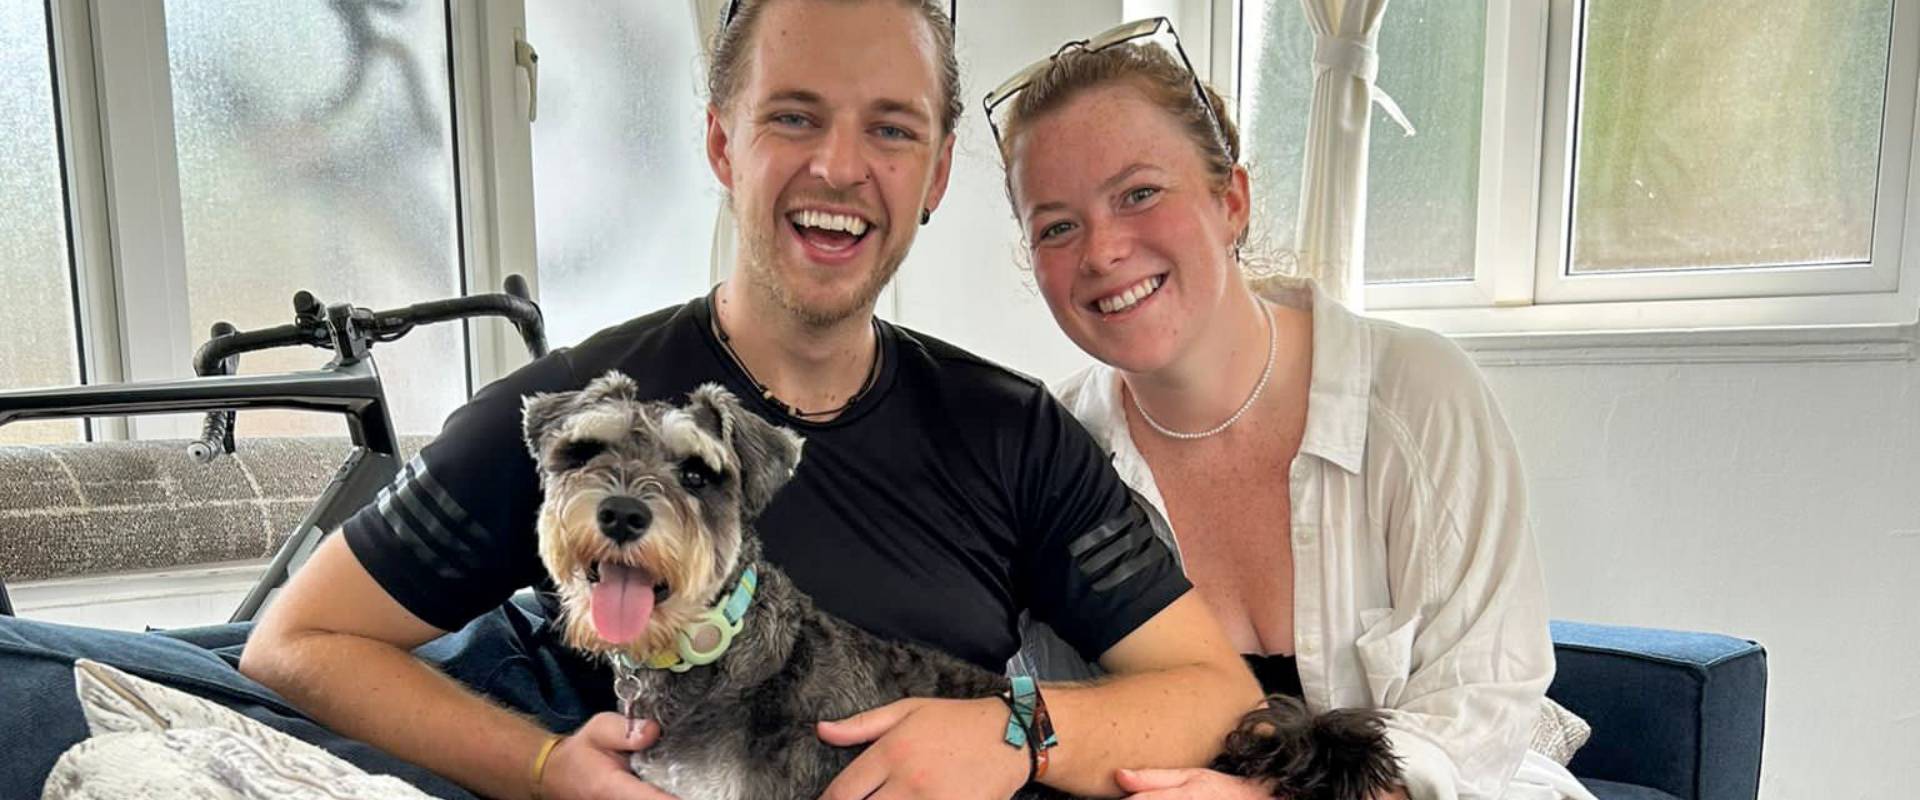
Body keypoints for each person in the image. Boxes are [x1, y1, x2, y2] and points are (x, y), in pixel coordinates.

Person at [0, 2, 1262, 799]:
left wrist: (1007, 734)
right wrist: (548, 767)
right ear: (724, 144)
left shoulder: (1012, 432)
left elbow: (1216, 694)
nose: (838, 167)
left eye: (889, 130)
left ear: (935, 174)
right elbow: (297, 642)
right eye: (794, 116)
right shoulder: (567, 401)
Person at [988, 22, 1598, 800]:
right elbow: (1018, 701)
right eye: (1058, 226)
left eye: (1139, 193)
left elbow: (1479, 708)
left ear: (1231, 201)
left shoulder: (1418, 397)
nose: (1102, 251)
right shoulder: (1046, 452)